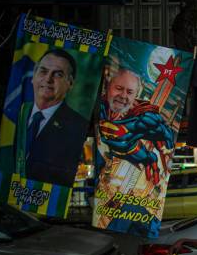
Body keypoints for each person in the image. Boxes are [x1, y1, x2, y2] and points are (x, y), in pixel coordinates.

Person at [15, 48, 88, 187]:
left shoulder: (78, 127)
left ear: (70, 83)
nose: (48, 79)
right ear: (33, 77)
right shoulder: (18, 114)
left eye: (58, 74)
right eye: (43, 71)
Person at [98, 68, 174, 185]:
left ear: (135, 95)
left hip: (130, 150)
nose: (123, 95)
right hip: (107, 151)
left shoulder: (141, 119)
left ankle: (154, 169)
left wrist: (167, 148)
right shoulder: (99, 106)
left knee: (149, 159)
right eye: (119, 88)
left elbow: (164, 131)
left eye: (129, 92)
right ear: (108, 87)